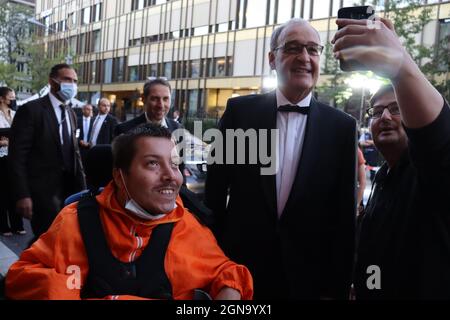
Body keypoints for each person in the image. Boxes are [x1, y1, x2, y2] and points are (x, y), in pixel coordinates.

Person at [5, 124, 253, 300]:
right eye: (153, 163)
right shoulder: (75, 221)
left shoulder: (188, 225)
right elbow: (22, 277)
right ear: (119, 176)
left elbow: (226, 272)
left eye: (175, 164)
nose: (170, 176)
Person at [205, 18, 357, 299]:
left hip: (308, 280)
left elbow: (343, 219)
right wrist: (214, 263)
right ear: (272, 59)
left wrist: (335, 287)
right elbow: (213, 195)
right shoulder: (239, 113)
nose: (304, 57)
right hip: (239, 275)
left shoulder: (342, 127)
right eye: (293, 48)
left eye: (313, 49)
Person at [332, 17, 450, 299]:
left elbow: (438, 140)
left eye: (396, 109)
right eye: (376, 111)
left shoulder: (431, 173)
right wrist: (361, 286)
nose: (384, 116)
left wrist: (400, 66)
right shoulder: (384, 177)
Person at [8, 63, 86, 242]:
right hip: (42, 193)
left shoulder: (71, 114)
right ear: (52, 81)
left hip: (69, 192)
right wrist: (22, 194)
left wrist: (83, 191)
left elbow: (75, 153)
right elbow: (17, 156)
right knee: (45, 239)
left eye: (75, 80)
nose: (72, 85)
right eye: (67, 79)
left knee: (66, 238)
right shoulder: (31, 110)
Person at [114, 78, 180, 136]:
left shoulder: (178, 130)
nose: (161, 105)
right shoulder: (125, 130)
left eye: (165, 99)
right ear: (143, 99)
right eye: (155, 99)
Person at [0, 87, 25, 236]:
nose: (13, 100)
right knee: (2, 192)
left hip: (14, 158)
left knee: (16, 191)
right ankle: (3, 226)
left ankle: (17, 224)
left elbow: (21, 137)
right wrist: (3, 143)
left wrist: (9, 141)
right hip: (1, 159)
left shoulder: (16, 114)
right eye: (11, 97)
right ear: (2, 99)